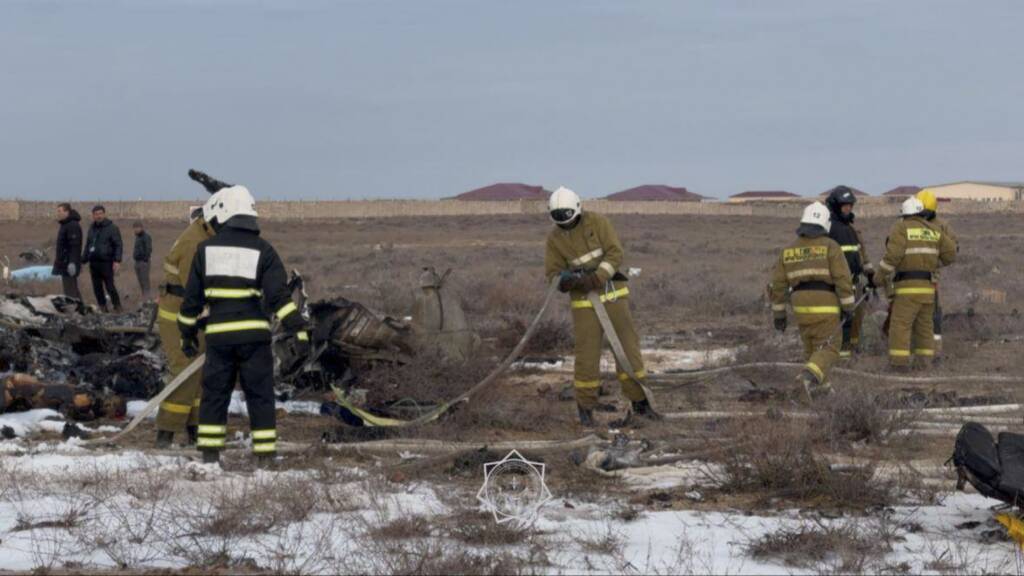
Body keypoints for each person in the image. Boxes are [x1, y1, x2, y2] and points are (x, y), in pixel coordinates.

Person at [178, 185, 309, 464]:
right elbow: (279, 298)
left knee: (214, 396)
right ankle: (264, 457)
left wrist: (186, 335)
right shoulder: (265, 250)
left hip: (219, 340)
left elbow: (190, 303)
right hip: (254, 339)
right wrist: (298, 328)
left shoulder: (205, 250)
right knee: (260, 397)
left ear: (222, 213)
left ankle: (210, 457)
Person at [543, 186, 657, 426]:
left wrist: (596, 277)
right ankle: (585, 410)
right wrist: (567, 281)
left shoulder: (598, 223)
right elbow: (552, 273)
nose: (565, 225)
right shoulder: (554, 239)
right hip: (584, 303)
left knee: (627, 350)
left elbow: (615, 253)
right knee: (586, 356)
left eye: (569, 219)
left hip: (613, 295)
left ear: (577, 210)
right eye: (560, 221)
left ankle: (641, 404)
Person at [770, 201, 855, 399]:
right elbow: (843, 279)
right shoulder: (830, 247)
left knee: (812, 350)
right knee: (830, 348)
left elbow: (778, 285)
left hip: (800, 306)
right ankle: (807, 378)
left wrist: (779, 315)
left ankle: (819, 390)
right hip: (824, 303)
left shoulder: (788, 250)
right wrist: (849, 307)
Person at [154, 208, 216, 448]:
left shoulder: (203, 236)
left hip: (192, 315)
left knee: (199, 375)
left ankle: (196, 429)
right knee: (185, 372)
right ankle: (166, 432)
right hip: (180, 317)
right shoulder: (194, 245)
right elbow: (196, 289)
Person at [874, 197, 957, 371]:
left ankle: (899, 364)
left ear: (904, 214)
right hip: (928, 290)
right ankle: (924, 364)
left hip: (907, 289)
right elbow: (950, 254)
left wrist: (878, 279)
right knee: (925, 328)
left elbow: (892, 257)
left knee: (900, 325)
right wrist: (933, 263)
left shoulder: (901, 228)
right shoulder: (934, 230)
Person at [824, 186, 875, 358]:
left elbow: (861, 254)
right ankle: (839, 355)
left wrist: (870, 277)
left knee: (854, 320)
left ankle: (851, 351)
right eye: (844, 205)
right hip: (836, 285)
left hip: (855, 282)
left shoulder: (851, 229)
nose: (848, 208)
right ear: (835, 205)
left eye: (850, 205)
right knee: (841, 321)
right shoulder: (828, 228)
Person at [916, 188, 958, 360]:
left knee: (932, 313)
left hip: (930, 277)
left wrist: (935, 263)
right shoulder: (910, 224)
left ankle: (935, 349)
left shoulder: (942, 226)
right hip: (910, 276)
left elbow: (953, 250)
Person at [83, 205, 123, 312]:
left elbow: (118, 245)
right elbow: (88, 244)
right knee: (97, 288)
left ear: (104, 214)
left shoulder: (112, 228)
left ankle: (117, 306)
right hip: (93, 262)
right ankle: (103, 308)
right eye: (96, 214)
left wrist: (117, 260)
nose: (98, 216)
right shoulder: (92, 228)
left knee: (110, 286)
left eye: (100, 214)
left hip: (106, 262)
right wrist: (83, 259)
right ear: (93, 216)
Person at [52, 203, 83, 300]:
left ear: (67, 212)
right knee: (71, 289)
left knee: (70, 291)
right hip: (64, 262)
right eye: (57, 211)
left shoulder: (72, 225)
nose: (58, 213)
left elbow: (75, 245)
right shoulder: (65, 224)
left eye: (60, 211)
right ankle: (81, 309)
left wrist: (72, 262)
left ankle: (75, 310)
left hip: (69, 263)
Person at [132, 221, 153, 300]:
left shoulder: (146, 237)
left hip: (143, 262)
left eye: (138, 228)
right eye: (135, 228)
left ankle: (147, 299)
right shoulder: (137, 237)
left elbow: (148, 249)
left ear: (141, 228)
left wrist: (145, 259)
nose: (136, 230)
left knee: (145, 281)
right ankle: (144, 297)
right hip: (137, 262)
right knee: (140, 281)